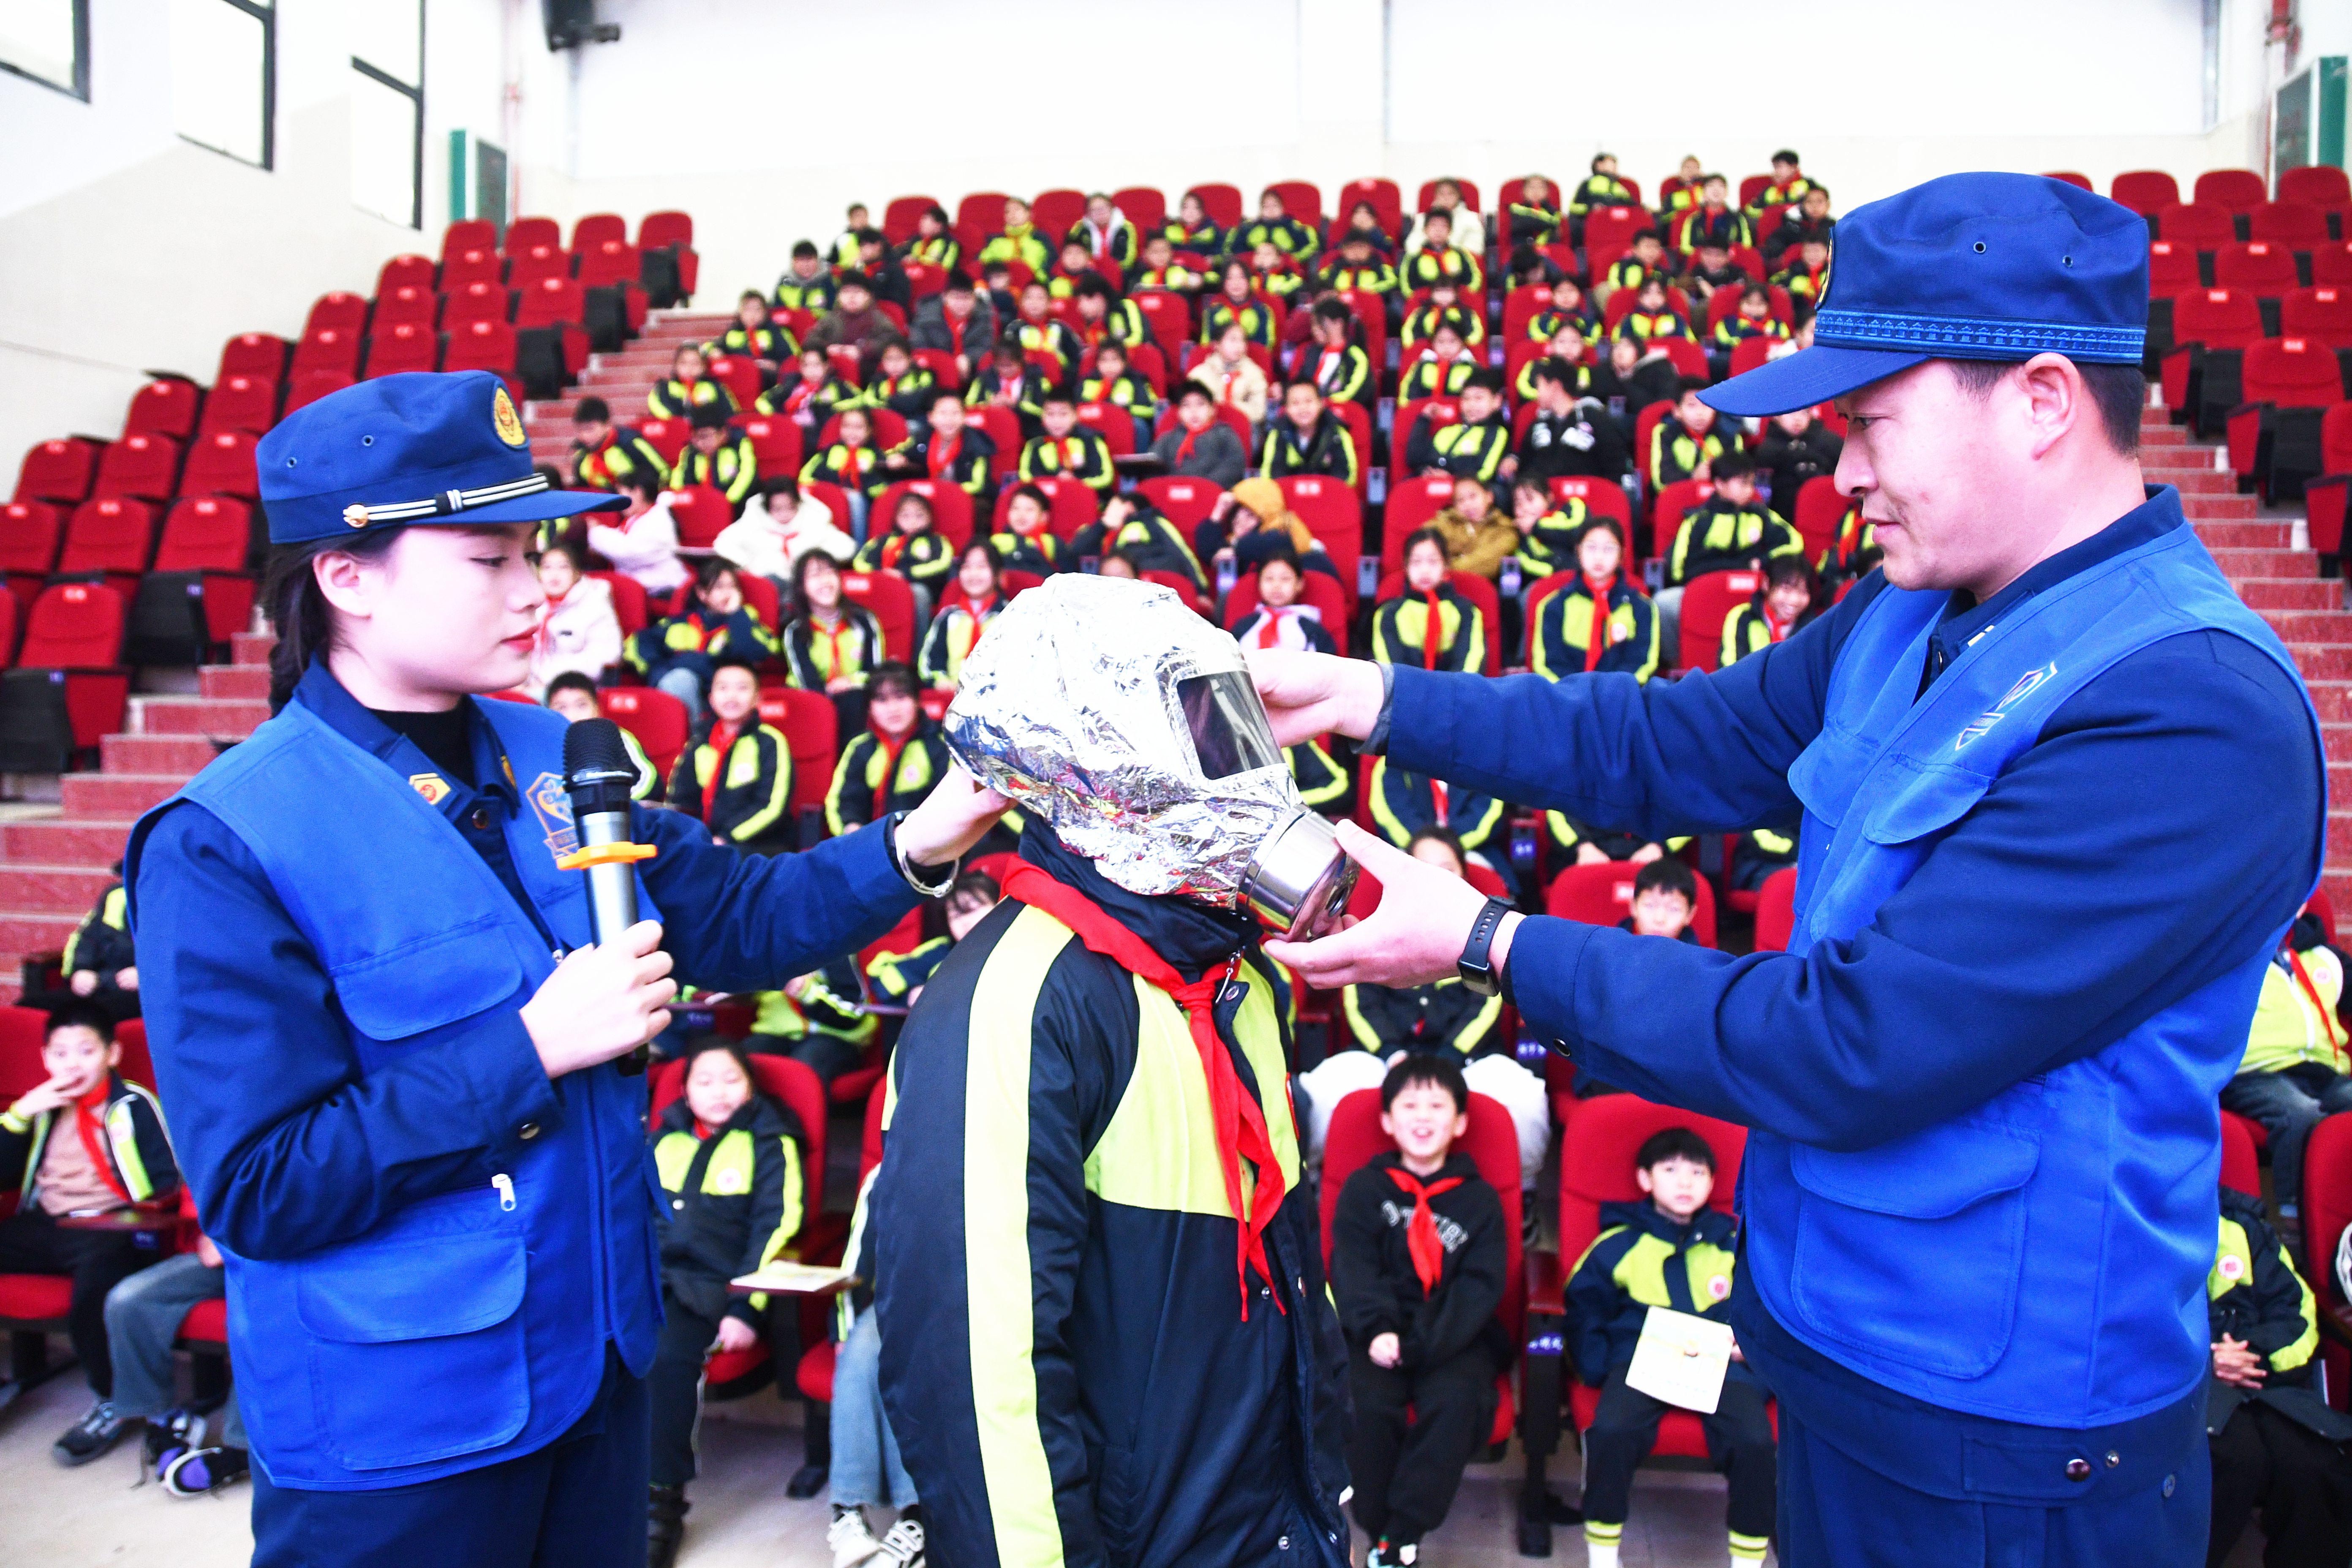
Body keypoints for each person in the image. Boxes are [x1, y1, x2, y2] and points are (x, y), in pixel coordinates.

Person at [1246, 174, 2325, 1563]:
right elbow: (1663, 742)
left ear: (2043, 401)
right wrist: (1374, 696)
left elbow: (1849, 1041)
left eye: (1871, 422)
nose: (1843, 473)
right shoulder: (1911, 610)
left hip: (2004, 1446)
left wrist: (1487, 941)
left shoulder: (2188, 710)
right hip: (1830, 1353)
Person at [873, 578, 1353, 1568]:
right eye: (1204, 734)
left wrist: (1322, 1485)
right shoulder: (1013, 1000)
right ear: (1097, 774)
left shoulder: (1235, 978)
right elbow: (979, 1385)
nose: (1248, 770)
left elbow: (1284, 1269)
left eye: (1238, 724)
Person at [1330, 1054, 1511, 1568]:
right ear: (1388, 1120)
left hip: (1453, 1335)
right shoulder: (1365, 1188)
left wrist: (1423, 1343)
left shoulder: (1480, 1200)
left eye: (1437, 1105)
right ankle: (1378, 1528)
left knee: (1457, 1401)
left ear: (1461, 1121)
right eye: (1410, 1105)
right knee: (1366, 1402)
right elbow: (1354, 1265)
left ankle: (1403, 1532)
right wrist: (1378, 1330)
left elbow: (1480, 1286)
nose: (1423, 1117)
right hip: (1376, 1331)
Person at [1567, 1126, 1774, 1568]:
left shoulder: (1734, 1243)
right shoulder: (1618, 1243)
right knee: (1612, 1431)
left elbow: (1761, 1307)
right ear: (1645, 1178)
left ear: (1714, 1182)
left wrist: (1750, 1349)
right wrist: (1596, 1366)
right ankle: (1603, 1557)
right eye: (1671, 1170)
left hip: (1721, 1364)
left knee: (1756, 1440)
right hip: (1641, 1359)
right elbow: (1585, 1306)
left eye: (1697, 1173)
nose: (1685, 1182)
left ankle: (1747, 1561)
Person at [646, 1040, 807, 1568]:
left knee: (666, 1356)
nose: (718, 1091)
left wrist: (745, 1307)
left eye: (731, 1079)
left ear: (751, 1087)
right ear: (685, 1091)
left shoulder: (770, 1141)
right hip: (650, 1280)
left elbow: (776, 1230)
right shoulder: (663, 1139)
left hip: (712, 1286)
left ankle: (660, 1504)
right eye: (705, 1081)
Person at [2, 1001, 177, 1463]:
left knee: (95, 1290)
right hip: (47, 1222)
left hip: (111, 1225)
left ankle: (111, 1400)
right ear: (45, 1058)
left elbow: (166, 1181)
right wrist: (21, 1113)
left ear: (112, 1054)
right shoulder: (42, 1105)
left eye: (86, 1051)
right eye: (60, 1054)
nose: (72, 1065)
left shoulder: (133, 1105)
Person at [2204, 1183, 2352, 1566]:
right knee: (2233, 1460)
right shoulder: (2137, 1227)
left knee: (2317, 1462)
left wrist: (2252, 1356)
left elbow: (2298, 1316)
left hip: (2267, 1385)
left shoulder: (2245, 1226)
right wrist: (2207, 1361)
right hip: (2187, 1391)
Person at [98, 1187, 252, 1495]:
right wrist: (212, 1233)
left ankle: (243, 1447)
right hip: (221, 1249)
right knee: (128, 1301)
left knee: (257, 1323)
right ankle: (164, 1418)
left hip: (282, 1255)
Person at [2221, 917, 2352, 1219]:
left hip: (2321, 1070)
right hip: (2254, 1072)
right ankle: (2298, 1219)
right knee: (2300, 1114)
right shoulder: (2227, 954)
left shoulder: (2325, 957)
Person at [665, 655, 796, 854]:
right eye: (723, 688)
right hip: (707, 843)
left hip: (758, 846)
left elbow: (772, 807)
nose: (732, 696)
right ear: (711, 698)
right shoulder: (699, 742)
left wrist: (726, 838)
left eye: (742, 688)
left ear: (757, 699)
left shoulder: (771, 741)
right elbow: (680, 800)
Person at [629, 557, 775, 716]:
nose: (727, 593)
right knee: (678, 680)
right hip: (687, 694)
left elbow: (754, 653)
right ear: (702, 594)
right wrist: (661, 670)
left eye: (732, 587)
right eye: (719, 587)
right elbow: (637, 644)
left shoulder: (746, 621)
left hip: (728, 695)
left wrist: (736, 615)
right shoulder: (680, 623)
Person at [828, 663, 953, 842]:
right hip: (869, 844)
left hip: (929, 844)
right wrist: (854, 832)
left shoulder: (940, 746)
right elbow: (843, 803)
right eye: (882, 700)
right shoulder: (860, 747)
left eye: (901, 697)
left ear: (917, 701)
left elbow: (948, 806)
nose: (893, 709)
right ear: (869, 708)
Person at [1531, 519, 1659, 682]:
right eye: (1591, 547)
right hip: (1567, 695)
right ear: (1578, 551)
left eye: (1609, 549)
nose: (1599, 557)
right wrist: (1576, 693)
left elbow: (1642, 664)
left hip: (1620, 695)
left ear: (1622, 554)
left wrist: (1610, 692)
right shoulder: (1553, 606)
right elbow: (1549, 664)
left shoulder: (1643, 608)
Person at [782, 550, 889, 736]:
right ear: (801, 587)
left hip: (854, 697)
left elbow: (875, 672)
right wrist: (829, 693)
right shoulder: (795, 631)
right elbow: (806, 682)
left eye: (830, 572)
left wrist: (851, 682)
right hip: (811, 699)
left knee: (855, 699)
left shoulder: (864, 621)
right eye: (815, 575)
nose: (825, 581)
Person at [864, 868, 1003, 1011]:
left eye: (972, 909)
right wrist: (912, 995)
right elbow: (881, 974)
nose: (964, 922)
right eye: (955, 916)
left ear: (1000, 906)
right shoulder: (942, 952)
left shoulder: (1016, 946)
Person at [1372, 528, 1489, 673]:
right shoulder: (1388, 614)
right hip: (1407, 688)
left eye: (1433, 562)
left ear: (1446, 565)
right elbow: (1390, 670)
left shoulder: (1467, 612)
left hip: (1455, 688)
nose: (1425, 570)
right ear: (1406, 566)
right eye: (1416, 562)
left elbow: (1471, 665)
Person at [543, 672, 662, 802]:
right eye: (561, 708)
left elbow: (650, 779)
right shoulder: (544, 743)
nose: (572, 715)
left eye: (582, 705)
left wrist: (621, 803)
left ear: (597, 708)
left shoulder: (614, 736)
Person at [713, 476, 855, 584]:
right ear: (767, 508)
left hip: (806, 584)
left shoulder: (813, 521)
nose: (785, 514)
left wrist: (817, 561)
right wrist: (747, 563)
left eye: (790, 508)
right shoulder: (753, 523)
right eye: (778, 509)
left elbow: (847, 547)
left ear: (798, 504)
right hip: (768, 582)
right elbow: (722, 544)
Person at [527, 539, 623, 697]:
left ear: (577, 573)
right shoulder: (534, 603)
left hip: (577, 689)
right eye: (547, 567)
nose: (554, 574)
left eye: (563, 567)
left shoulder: (595, 605)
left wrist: (547, 677)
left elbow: (605, 656)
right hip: (531, 684)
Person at [1198, 476, 1334, 585]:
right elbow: (1211, 553)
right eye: (1236, 520)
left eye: (1250, 516)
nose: (1242, 523)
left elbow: (1279, 542)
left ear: (1266, 515)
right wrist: (1219, 511)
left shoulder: (1285, 524)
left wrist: (1236, 550)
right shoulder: (1236, 541)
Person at [1070, 493, 1208, 597]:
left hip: (1159, 591)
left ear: (1129, 507)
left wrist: (1200, 592)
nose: (1105, 513)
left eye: (1111, 507)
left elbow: (1183, 554)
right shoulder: (1104, 532)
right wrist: (1101, 525)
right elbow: (1075, 554)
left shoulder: (1155, 523)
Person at [852, 487, 955, 625]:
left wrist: (905, 575)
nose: (912, 521)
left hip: (915, 586)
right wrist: (882, 574)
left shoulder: (936, 541)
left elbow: (942, 563)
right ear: (896, 518)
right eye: (905, 516)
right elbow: (860, 562)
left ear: (930, 518)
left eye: (919, 516)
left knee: (919, 593)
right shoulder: (883, 540)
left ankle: (921, 639)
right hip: (883, 582)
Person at [1517, 359, 1630, 486]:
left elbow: (1615, 467)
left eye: (1539, 386)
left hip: (1587, 494)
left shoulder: (1595, 419)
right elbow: (1524, 469)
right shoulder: (1538, 425)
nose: (1537, 393)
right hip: (1545, 496)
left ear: (1555, 387)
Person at [883, 389, 999, 507]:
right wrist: (897, 458)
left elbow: (978, 486)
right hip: (928, 497)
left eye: (955, 413)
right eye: (943, 413)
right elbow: (897, 452)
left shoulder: (977, 445)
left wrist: (941, 491)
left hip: (964, 499)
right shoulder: (923, 437)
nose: (949, 419)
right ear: (930, 418)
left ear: (965, 417)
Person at [1404, 370, 1514, 491]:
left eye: (1479, 398)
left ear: (1497, 401)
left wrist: (1451, 479)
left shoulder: (1497, 433)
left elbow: (1484, 474)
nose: (1471, 405)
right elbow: (1414, 458)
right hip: (1428, 487)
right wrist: (1424, 420)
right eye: (1466, 399)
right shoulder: (1447, 431)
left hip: (1465, 492)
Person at [918, 540, 1006, 690]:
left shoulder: (1009, 616)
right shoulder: (948, 616)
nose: (973, 574)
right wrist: (941, 682)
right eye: (967, 567)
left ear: (998, 574)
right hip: (954, 693)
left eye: (982, 567)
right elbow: (930, 663)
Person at [588, 474, 692, 598]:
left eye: (621, 494)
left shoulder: (659, 520)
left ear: (638, 492)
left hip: (667, 589)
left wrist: (595, 531)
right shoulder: (637, 518)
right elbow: (620, 538)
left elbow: (626, 552)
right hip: (649, 586)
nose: (618, 502)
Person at [57, 870, 138, 1021]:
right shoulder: (116, 895)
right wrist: (80, 971)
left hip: (145, 990)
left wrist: (148, 975)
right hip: (101, 982)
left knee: (97, 1015)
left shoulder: (173, 899)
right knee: (32, 1005)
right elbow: (87, 937)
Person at [1230, 546, 1336, 652]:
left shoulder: (1312, 631)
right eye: (1269, 579)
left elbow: (1327, 660)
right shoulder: (1244, 626)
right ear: (1259, 584)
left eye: (1285, 579)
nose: (1277, 585)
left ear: (1300, 584)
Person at [1257, 378, 1360, 486]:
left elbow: (1347, 477)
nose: (1303, 408)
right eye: (1295, 403)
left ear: (1321, 404)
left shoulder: (1337, 433)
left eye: (1309, 401)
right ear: (1286, 409)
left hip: (1329, 494)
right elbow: (1271, 476)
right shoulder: (1278, 433)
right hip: (1288, 495)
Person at [1720, 556, 1816, 667]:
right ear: (1766, 584)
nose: (1794, 601)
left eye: (1803, 592)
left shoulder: (1813, 626)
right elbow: (1731, 670)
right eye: (1786, 589)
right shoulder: (1743, 617)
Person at [805, 274, 907, 378]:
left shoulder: (877, 318)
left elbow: (894, 341)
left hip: (870, 372)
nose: (851, 297)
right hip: (833, 373)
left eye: (857, 292)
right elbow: (810, 339)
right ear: (839, 297)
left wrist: (862, 351)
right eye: (846, 292)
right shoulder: (831, 318)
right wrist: (828, 349)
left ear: (868, 296)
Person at [1754, 406, 1843, 524]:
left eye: (1804, 413)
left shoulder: (1830, 443)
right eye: (1790, 413)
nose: (1797, 419)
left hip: (1827, 513)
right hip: (1783, 517)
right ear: (1776, 416)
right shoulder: (1767, 450)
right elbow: (1763, 493)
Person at [1152, 381, 1250, 487]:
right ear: (1179, 412)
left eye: (1200, 404)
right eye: (1186, 405)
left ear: (1213, 410)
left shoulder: (1225, 435)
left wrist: (1202, 487)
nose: (1194, 411)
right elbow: (1152, 467)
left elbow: (1234, 465)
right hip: (1173, 492)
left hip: (1215, 491)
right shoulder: (1167, 439)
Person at [1421, 476, 1519, 581]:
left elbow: (1485, 564)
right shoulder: (1445, 521)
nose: (1468, 504)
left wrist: (1443, 568)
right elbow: (1421, 546)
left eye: (1473, 497)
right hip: (1439, 583)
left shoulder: (1504, 529)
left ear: (1489, 497)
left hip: (1478, 585)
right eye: (1460, 500)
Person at [1017, 391, 1116, 493]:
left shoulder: (1091, 441)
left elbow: (1106, 477)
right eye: (1050, 414)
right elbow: (1026, 478)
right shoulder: (1034, 444)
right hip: (1047, 498)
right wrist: (1055, 484)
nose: (1056, 421)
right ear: (1043, 417)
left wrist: (1074, 483)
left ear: (1075, 416)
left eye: (1063, 414)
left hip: (1085, 496)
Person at [909, 269, 996, 384]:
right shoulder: (926, 318)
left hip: (973, 373)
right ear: (944, 297)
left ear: (975, 299)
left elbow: (987, 347)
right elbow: (919, 349)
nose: (962, 304)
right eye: (956, 298)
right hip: (935, 376)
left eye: (967, 298)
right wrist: (949, 364)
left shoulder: (984, 317)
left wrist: (969, 358)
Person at [669, 402, 758, 512]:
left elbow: (747, 474)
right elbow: (679, 481)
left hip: (735, 506)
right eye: (695, 437)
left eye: (705, 436)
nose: (700, 443)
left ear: (723, 433)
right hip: (699, 507)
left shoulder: (740, 445)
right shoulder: (690, 452)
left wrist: (724, 503)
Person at [1649, 378, 1733, 491]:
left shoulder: (1728, 434)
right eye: (1692, 405)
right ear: (1677, 411)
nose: (1700, 413)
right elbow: (1662, 480)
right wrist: (1693, 476)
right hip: (1678, 496)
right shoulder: (1666, 434)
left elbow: (1737, 478)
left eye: (1706, 405)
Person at [571, 398, 669, 494]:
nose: (584, 436)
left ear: (607, 425)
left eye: (590, 429)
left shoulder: (631, 443)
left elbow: (663, 473)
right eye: (580, 430)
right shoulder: (581, 455)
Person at [964, 336, 1048, 441]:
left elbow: (1045, 411)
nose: (1005, 370)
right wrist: (989, 406)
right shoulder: (983, 379)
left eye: (1010, 365)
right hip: (992, 430)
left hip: (1028, 430)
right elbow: (969, 408)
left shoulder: (1037, 379)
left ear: (1021, 361)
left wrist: (1016, 405)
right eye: (1001, 366)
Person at [1077, 338, 1160, 442]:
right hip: (1095, 423)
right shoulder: (1088, 382)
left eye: (1115, 360)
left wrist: (1126, 409)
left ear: (1125, 362)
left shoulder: (1136, 381)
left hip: (1125, 424)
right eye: (1104, 360)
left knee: (1139, 425)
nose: (1109, 366)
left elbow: (1151, 410)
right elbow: (1076, 409)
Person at [760, 347, 859, 431]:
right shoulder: (790, 384)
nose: (811, 371)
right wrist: (775, 419)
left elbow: (860, 400)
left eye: (816, 365)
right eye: (806, 365)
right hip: (789, 431)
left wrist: (834, 407)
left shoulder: (838, 386)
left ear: (826, 366)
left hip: (817, 434)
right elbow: (764, 400)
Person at [1303, 298, 1375, 409]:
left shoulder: (1355, 357)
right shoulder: (1313, 352)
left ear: (1338, 324)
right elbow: (1301, 383)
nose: (1315, 330)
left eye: (1320, 323)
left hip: (1339, 412)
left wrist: (1324, 403)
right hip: (1310, 409)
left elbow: (1356, 393)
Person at [988, 481, 1063, 577]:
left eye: (1029, 509)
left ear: (1044, 517)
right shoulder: (996, 542)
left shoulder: (1053, 543)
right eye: (1015, 508)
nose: (1021, 515)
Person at [1201, 259, 1279, 349]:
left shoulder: (1262, 311)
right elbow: (1207, 346)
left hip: (1252, 357)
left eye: (1242, 277)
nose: (1236, 283)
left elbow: (1265, 347)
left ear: (1249, 281)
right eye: (1230, 278)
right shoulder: (1213, 311)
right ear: (1223, 283)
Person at [1402, 210, 1483, 295]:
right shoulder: (1414, 256)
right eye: (1434, 226)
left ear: (1450, 231)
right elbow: (1408, 287)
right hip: (1425, 301)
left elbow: (1474, 281)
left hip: (1458, 301)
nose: (1438, 230)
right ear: (1425, 230)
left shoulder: (1461, 254)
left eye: (1443, 226)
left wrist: (1461, 297)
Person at [706, 291, 795, 366]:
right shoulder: (733, 331)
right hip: (740, 372)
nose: (752, 315)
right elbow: (710, 347)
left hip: (767, 376)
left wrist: (775, 365)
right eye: (747, 310)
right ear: (740, 312)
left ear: (765, 312)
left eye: (757, 310)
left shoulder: (775, 331)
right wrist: (714, 351)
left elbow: (789, 359)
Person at [856, 340, 938, 422]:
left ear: (910, 359)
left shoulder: (921, 376)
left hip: (916, 420)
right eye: (889, 359)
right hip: (887, 421)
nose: (894, 365)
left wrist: (888, 401)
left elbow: (915, 403)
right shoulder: (878, 381)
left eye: (900, 358)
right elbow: (868, 403)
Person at [1232, 186, 1318, 260]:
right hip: (1255, 268)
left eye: (1275, 206)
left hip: (1286, 268)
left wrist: (1290, 260)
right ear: (1261, 210)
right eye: (1266, 207)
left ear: (1282, 208)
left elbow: (1309, 246)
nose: (1271, 210)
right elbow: (1237, 250)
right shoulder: (1251, 227)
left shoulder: (1292, 225)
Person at [1408, 178, 1485, 258]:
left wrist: (1448, 256)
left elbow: (1477, 248)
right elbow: (1412, 245)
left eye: (1451, 194)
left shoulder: (1471, 219)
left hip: (1458, 260)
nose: (1446, 198)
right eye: (1442, 194)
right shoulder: (1423, 218)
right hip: (1427, 259)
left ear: (1459, 196)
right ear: (1436, 196)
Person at [977, 196, 1050, 275]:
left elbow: (1051, 263)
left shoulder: (1040, 237)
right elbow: (980, 262)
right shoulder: (995, 239)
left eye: (1017, 209)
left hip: (1033, 279)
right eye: (1007, 211)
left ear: (1029, 213)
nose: (1012, 214)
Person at [1569, 153, 1638, 227]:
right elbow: (1574, 207)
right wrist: (1590, 208)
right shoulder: (1588, 184)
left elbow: (1633, 207)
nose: (1615, 165)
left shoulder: (1620, 187)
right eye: (1611, 162)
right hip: (1595, 225)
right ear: (1599, 165)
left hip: (1618, 225)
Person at [775, 241, 839, 316]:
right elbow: (777, 314)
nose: (806, 265)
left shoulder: (830, 283)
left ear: (817, 260)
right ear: (793, 262)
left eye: (809, 259)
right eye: (801, 260)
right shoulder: (784, 285)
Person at [1163, 189, 1226, 257]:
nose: (1191, 212)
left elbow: (1221, 255)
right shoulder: (1169, 230)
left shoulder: (1212, 231)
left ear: (1202, 212)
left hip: (1202, 263)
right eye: (1186, 207)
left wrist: (1213, 259)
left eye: (1196, 208)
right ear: (1181, 211)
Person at [1506, 174, 1563, 248]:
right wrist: (1546, 223)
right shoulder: (1517, 208)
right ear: (1524, 191)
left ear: (1547, 192)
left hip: (1547, 250)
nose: (1536, 191)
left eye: (1540, 187)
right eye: (1532, 187)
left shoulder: (1553, 211)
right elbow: (1519, 225)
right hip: (1522, 250)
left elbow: (1555, 222)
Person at [899, 203, 961, 270]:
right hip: (910, 274)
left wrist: (917, 261)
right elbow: (898, 255)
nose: (922, 223)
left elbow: (944, 269)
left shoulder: (949, 244)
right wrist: (904, 259)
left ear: (939, 226)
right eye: (922, 220)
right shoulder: (915, 240)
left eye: (926, 220)